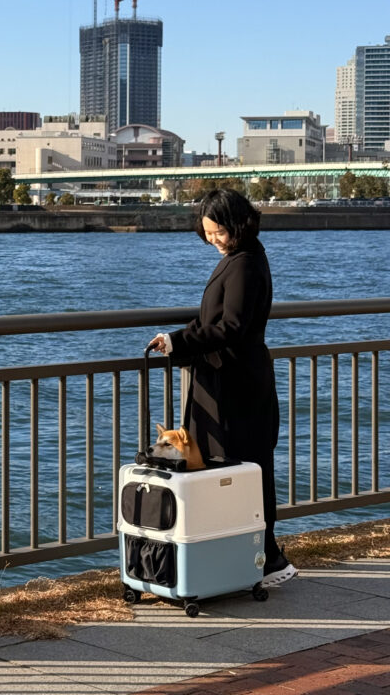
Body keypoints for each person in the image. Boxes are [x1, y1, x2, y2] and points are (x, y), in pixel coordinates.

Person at [148, 187, 298, 588]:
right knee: (242, 471)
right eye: (207, 232)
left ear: (237, 225)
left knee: (241, 472)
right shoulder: (244, 257)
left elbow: (230, 327)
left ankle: (267, 559)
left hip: (237, 387)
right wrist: (178, 339)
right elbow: (218, 322)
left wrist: (179, 342)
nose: (213, 239)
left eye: (218, 231)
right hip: (234, 381)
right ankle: (246, 559)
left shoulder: (245, 264)